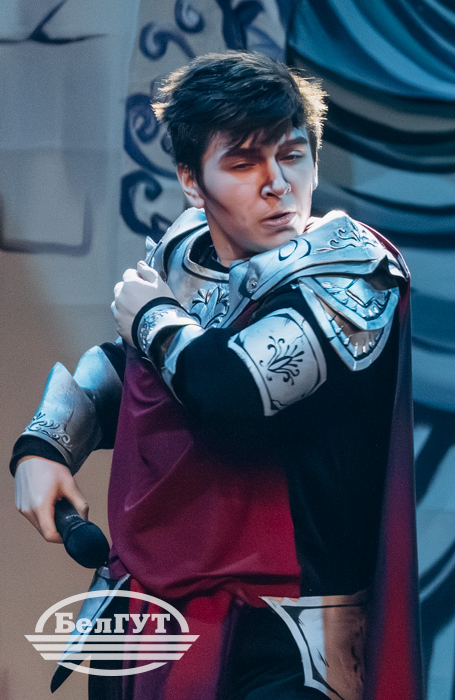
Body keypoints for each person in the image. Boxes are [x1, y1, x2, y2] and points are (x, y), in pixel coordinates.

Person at [11, 52, 420, 700]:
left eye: (292, 155)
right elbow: (130, 371)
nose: (277, 183)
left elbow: (230, 391)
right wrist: (45, 443)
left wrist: (152, 317)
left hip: (286, 639)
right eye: (243, 163)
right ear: (191, 182)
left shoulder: (352, 273)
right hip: (147, 616)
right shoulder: (186, 252)